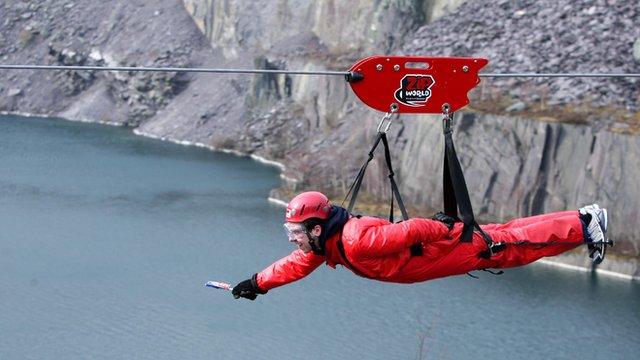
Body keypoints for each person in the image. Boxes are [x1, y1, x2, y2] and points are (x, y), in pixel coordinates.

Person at [232, 191, 610, 300]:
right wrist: (258, 282)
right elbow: (294, 264)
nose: (294, 239)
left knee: (508, 246)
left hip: (443, 252)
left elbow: (411, 230)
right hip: (438, 254)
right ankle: (582, 220)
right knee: (507, 237)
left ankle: (584, 224)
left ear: (315, 228)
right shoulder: (327, 245)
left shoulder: (355, 241)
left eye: (296, 231)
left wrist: (443, 229)